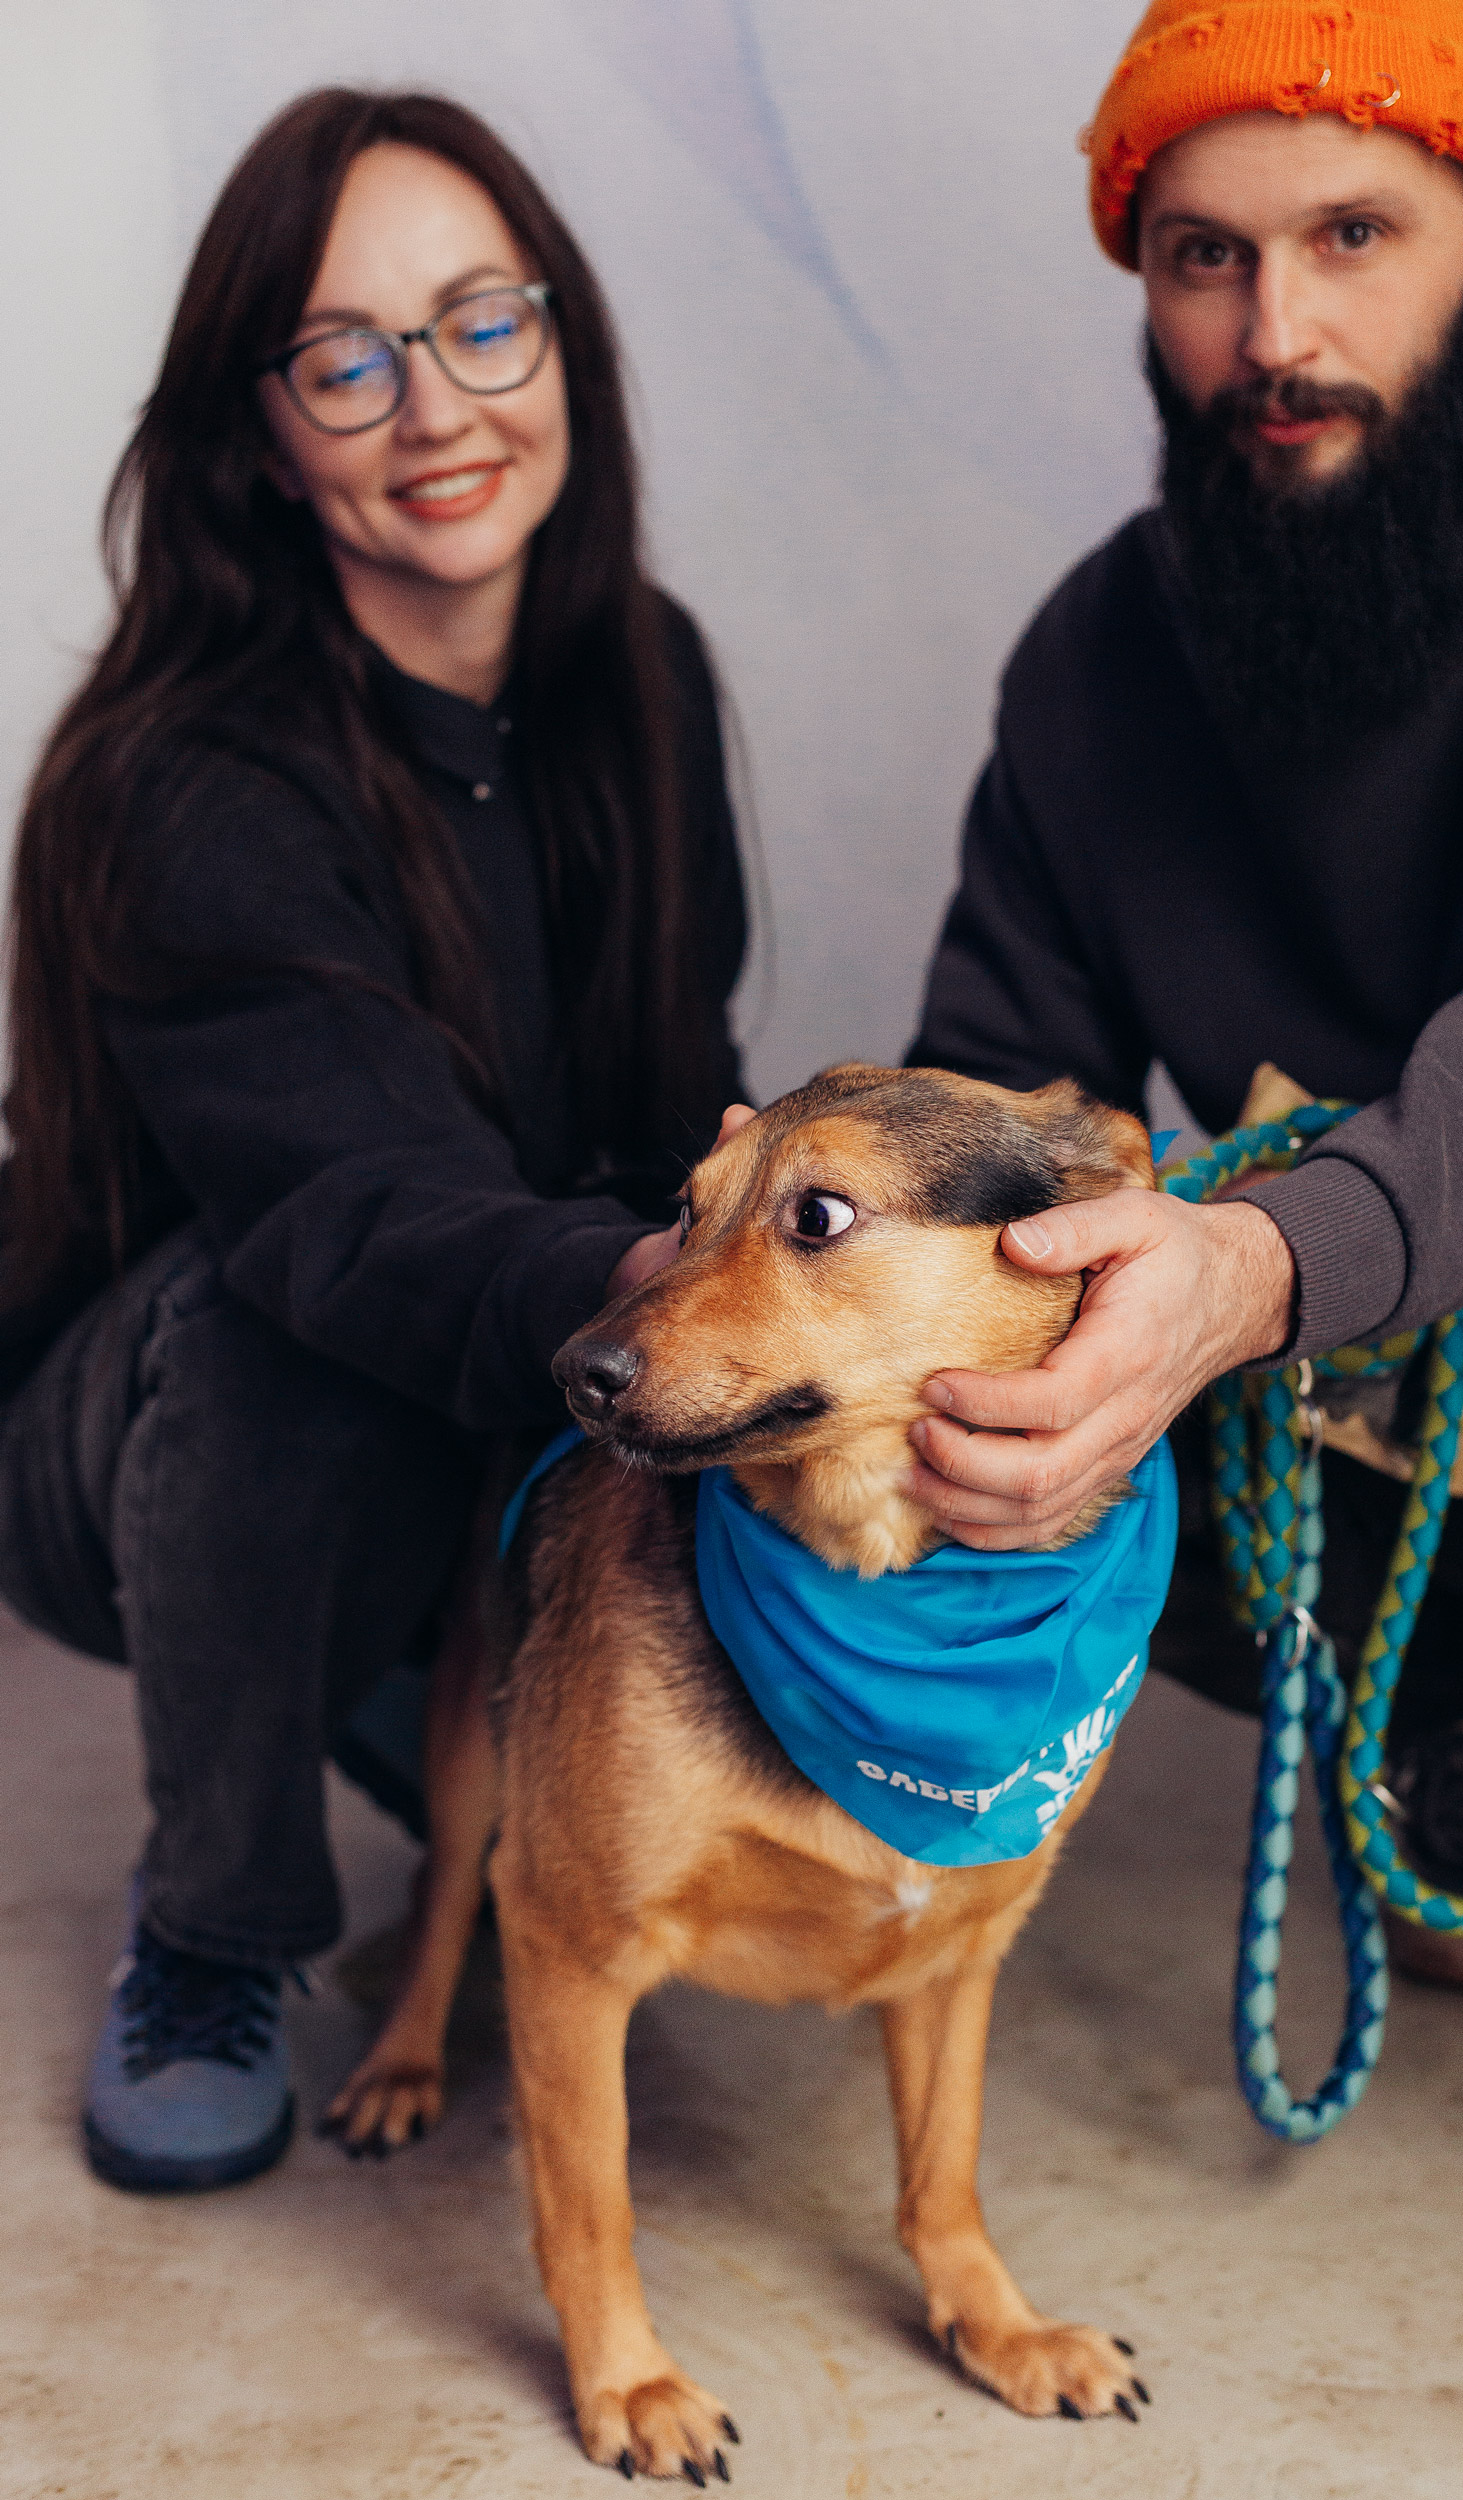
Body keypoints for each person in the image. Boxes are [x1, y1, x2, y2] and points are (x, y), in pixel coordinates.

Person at [903, 0, 1463, 2267]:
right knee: (1064, 1384)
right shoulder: (1094, 662)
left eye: (1354, 235)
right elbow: (996, 1102)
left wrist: (1260, 1258)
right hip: (1394, 1382)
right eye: (1205, 257)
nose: (1277, 336)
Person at [0, 88, 744, 2192]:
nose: (436, 407)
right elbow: (358, 1213)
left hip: (475, 1396)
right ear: (260, 436)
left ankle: (401, 1681)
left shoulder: (645, 677)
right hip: (145, 1448)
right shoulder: (182, 771)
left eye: (480, 322)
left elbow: (668, 1109)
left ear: (562, 342)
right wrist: (664, 1298)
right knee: (285, 1310)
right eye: (345, 358)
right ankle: (213, 1924)